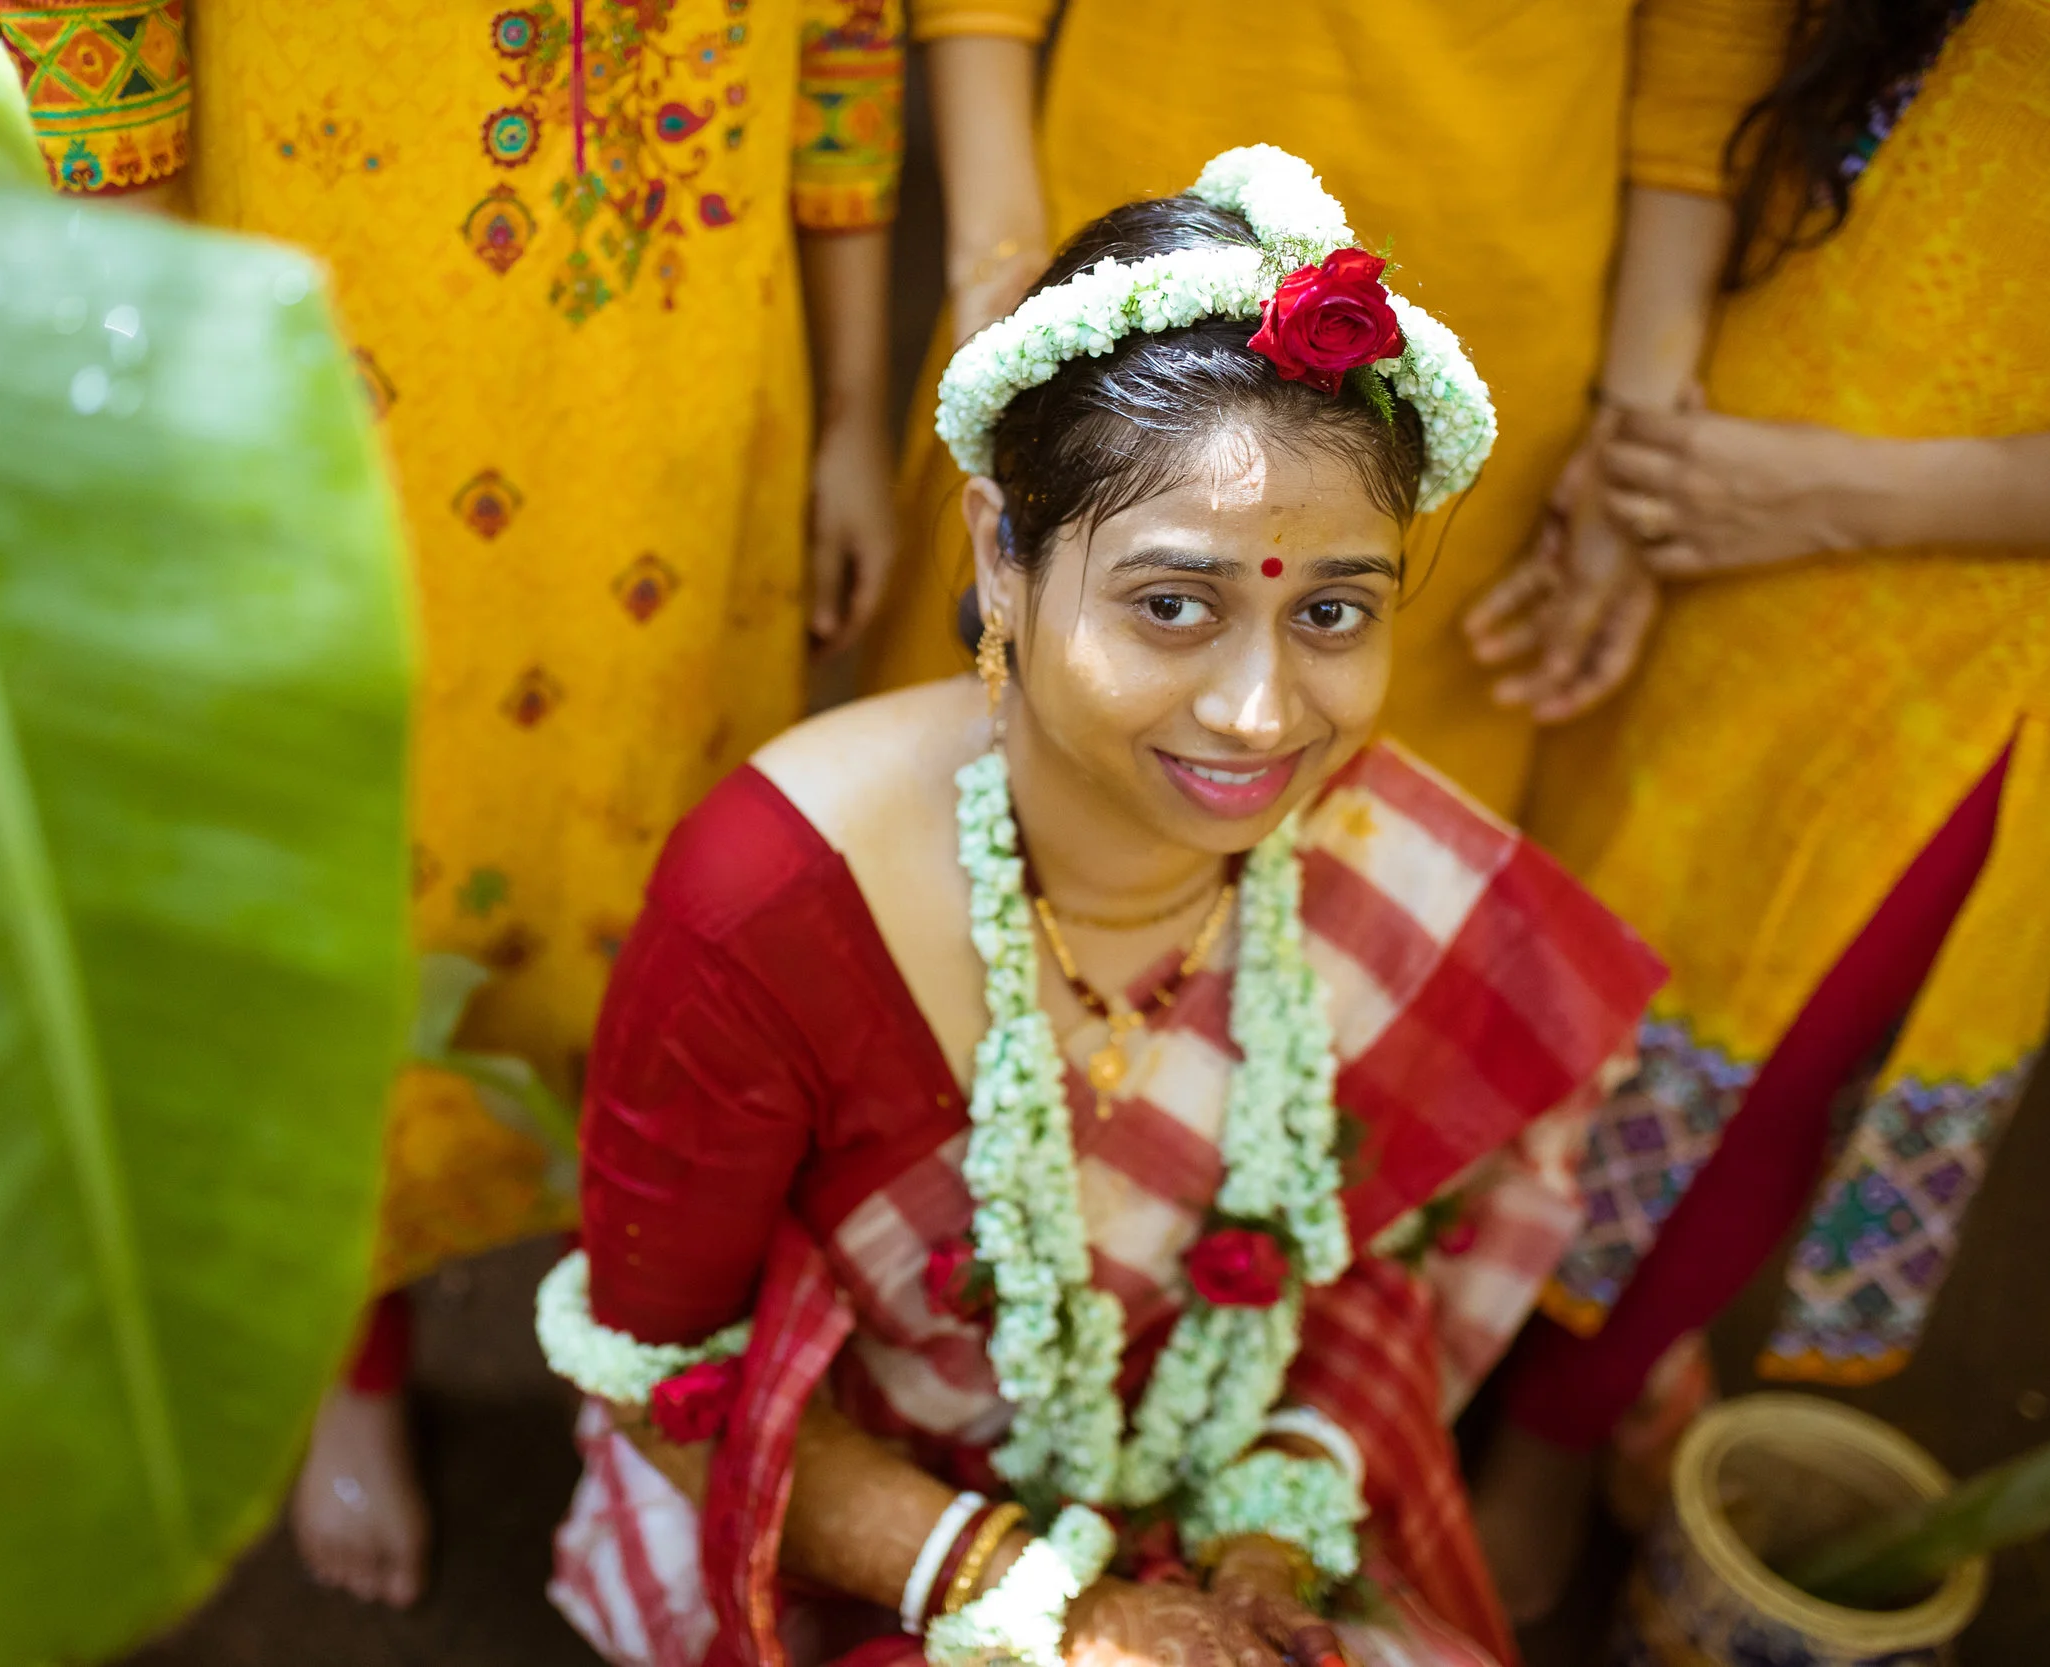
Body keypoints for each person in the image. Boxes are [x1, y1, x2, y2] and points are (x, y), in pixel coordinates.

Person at [535, 150, 1667, 1667]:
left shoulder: (1362, 845)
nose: (1264, 714)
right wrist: (1059, 1607)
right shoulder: (771, 905)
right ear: (1003, 550)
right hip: (859, 1530)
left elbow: (1366, 1256)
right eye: (1172, 603)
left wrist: (1266, 1538)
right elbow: (664, 1383)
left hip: (1221, 1471)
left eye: (1331, 610)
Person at [0, 0, 909, 1607]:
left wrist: (850, 404)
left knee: (671, 898)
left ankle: (645, 1341)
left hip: (684, 385)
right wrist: (159, 380)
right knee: (338, 899)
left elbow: (846, 28)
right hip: (328, 357)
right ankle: (351, 1340)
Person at [1464, 0, 2050, 1619]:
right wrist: (1648, 444)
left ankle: (1540, 1451)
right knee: (1534, 969)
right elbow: (1713, 38)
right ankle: (1406, 1364)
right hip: (1695, 445)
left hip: (1985, 595)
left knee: (1760, 1066)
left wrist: (1825, 493)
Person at [856, 0, 1784, 819]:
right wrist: (999, 259)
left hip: (1495, 318)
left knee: (1354, 852)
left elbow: (1707, 58)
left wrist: (1636, 438)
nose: (1251, 715)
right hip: (1113, 293)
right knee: (985, 784)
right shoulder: (1060, 331)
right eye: (1177, 601)